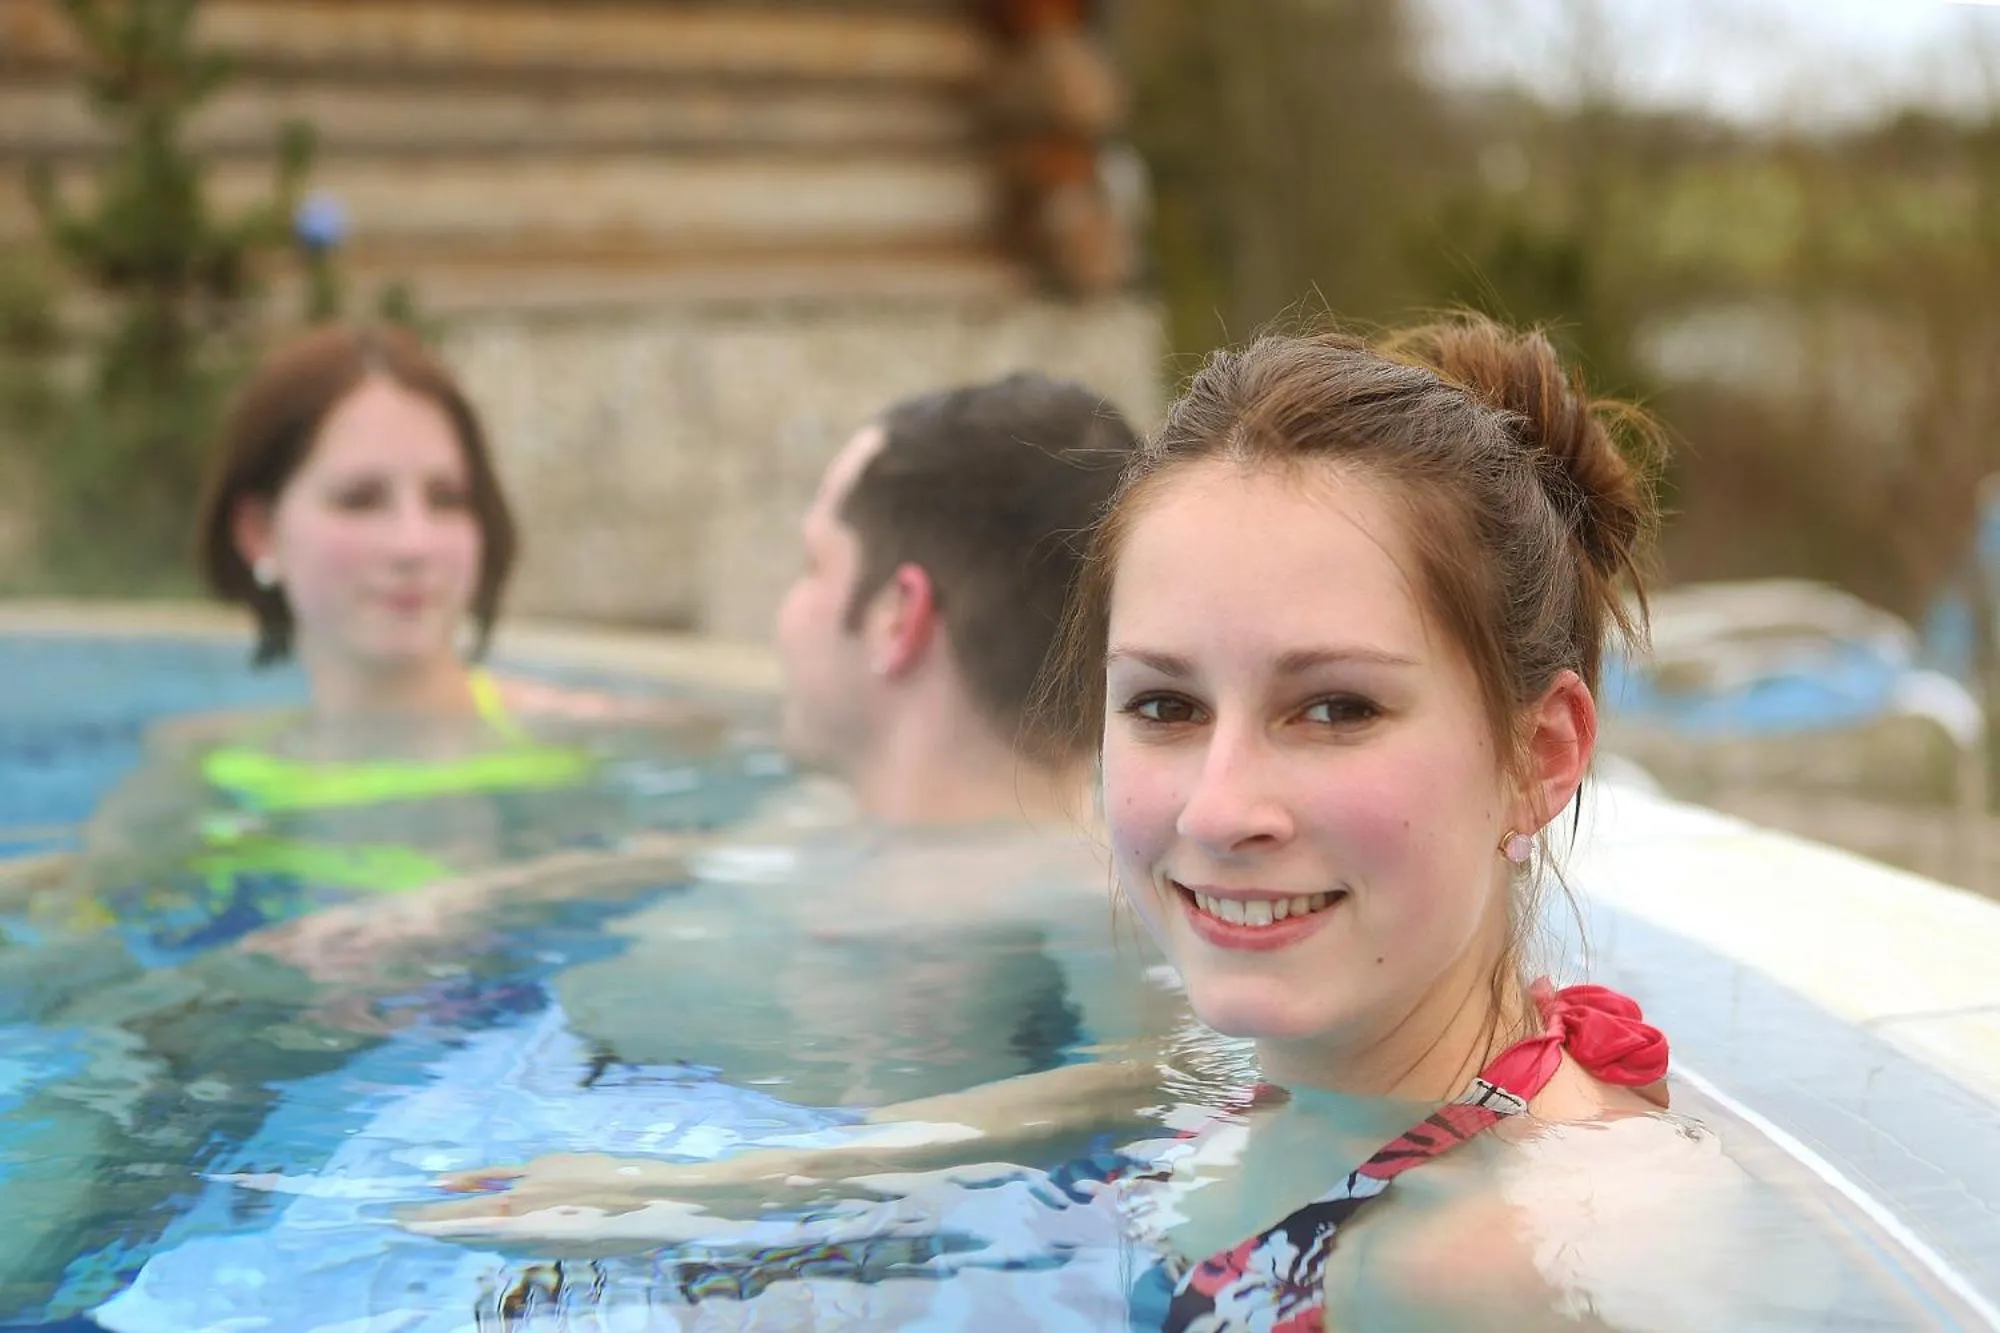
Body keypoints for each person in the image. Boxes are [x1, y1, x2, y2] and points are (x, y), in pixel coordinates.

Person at [414, 319, 1842, 1330]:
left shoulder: (1505, 1263)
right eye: (1163, 706)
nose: (1217, 807)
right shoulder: (1314, 1090)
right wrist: (726, 1203)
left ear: (1541, 757)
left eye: (1334, 708)